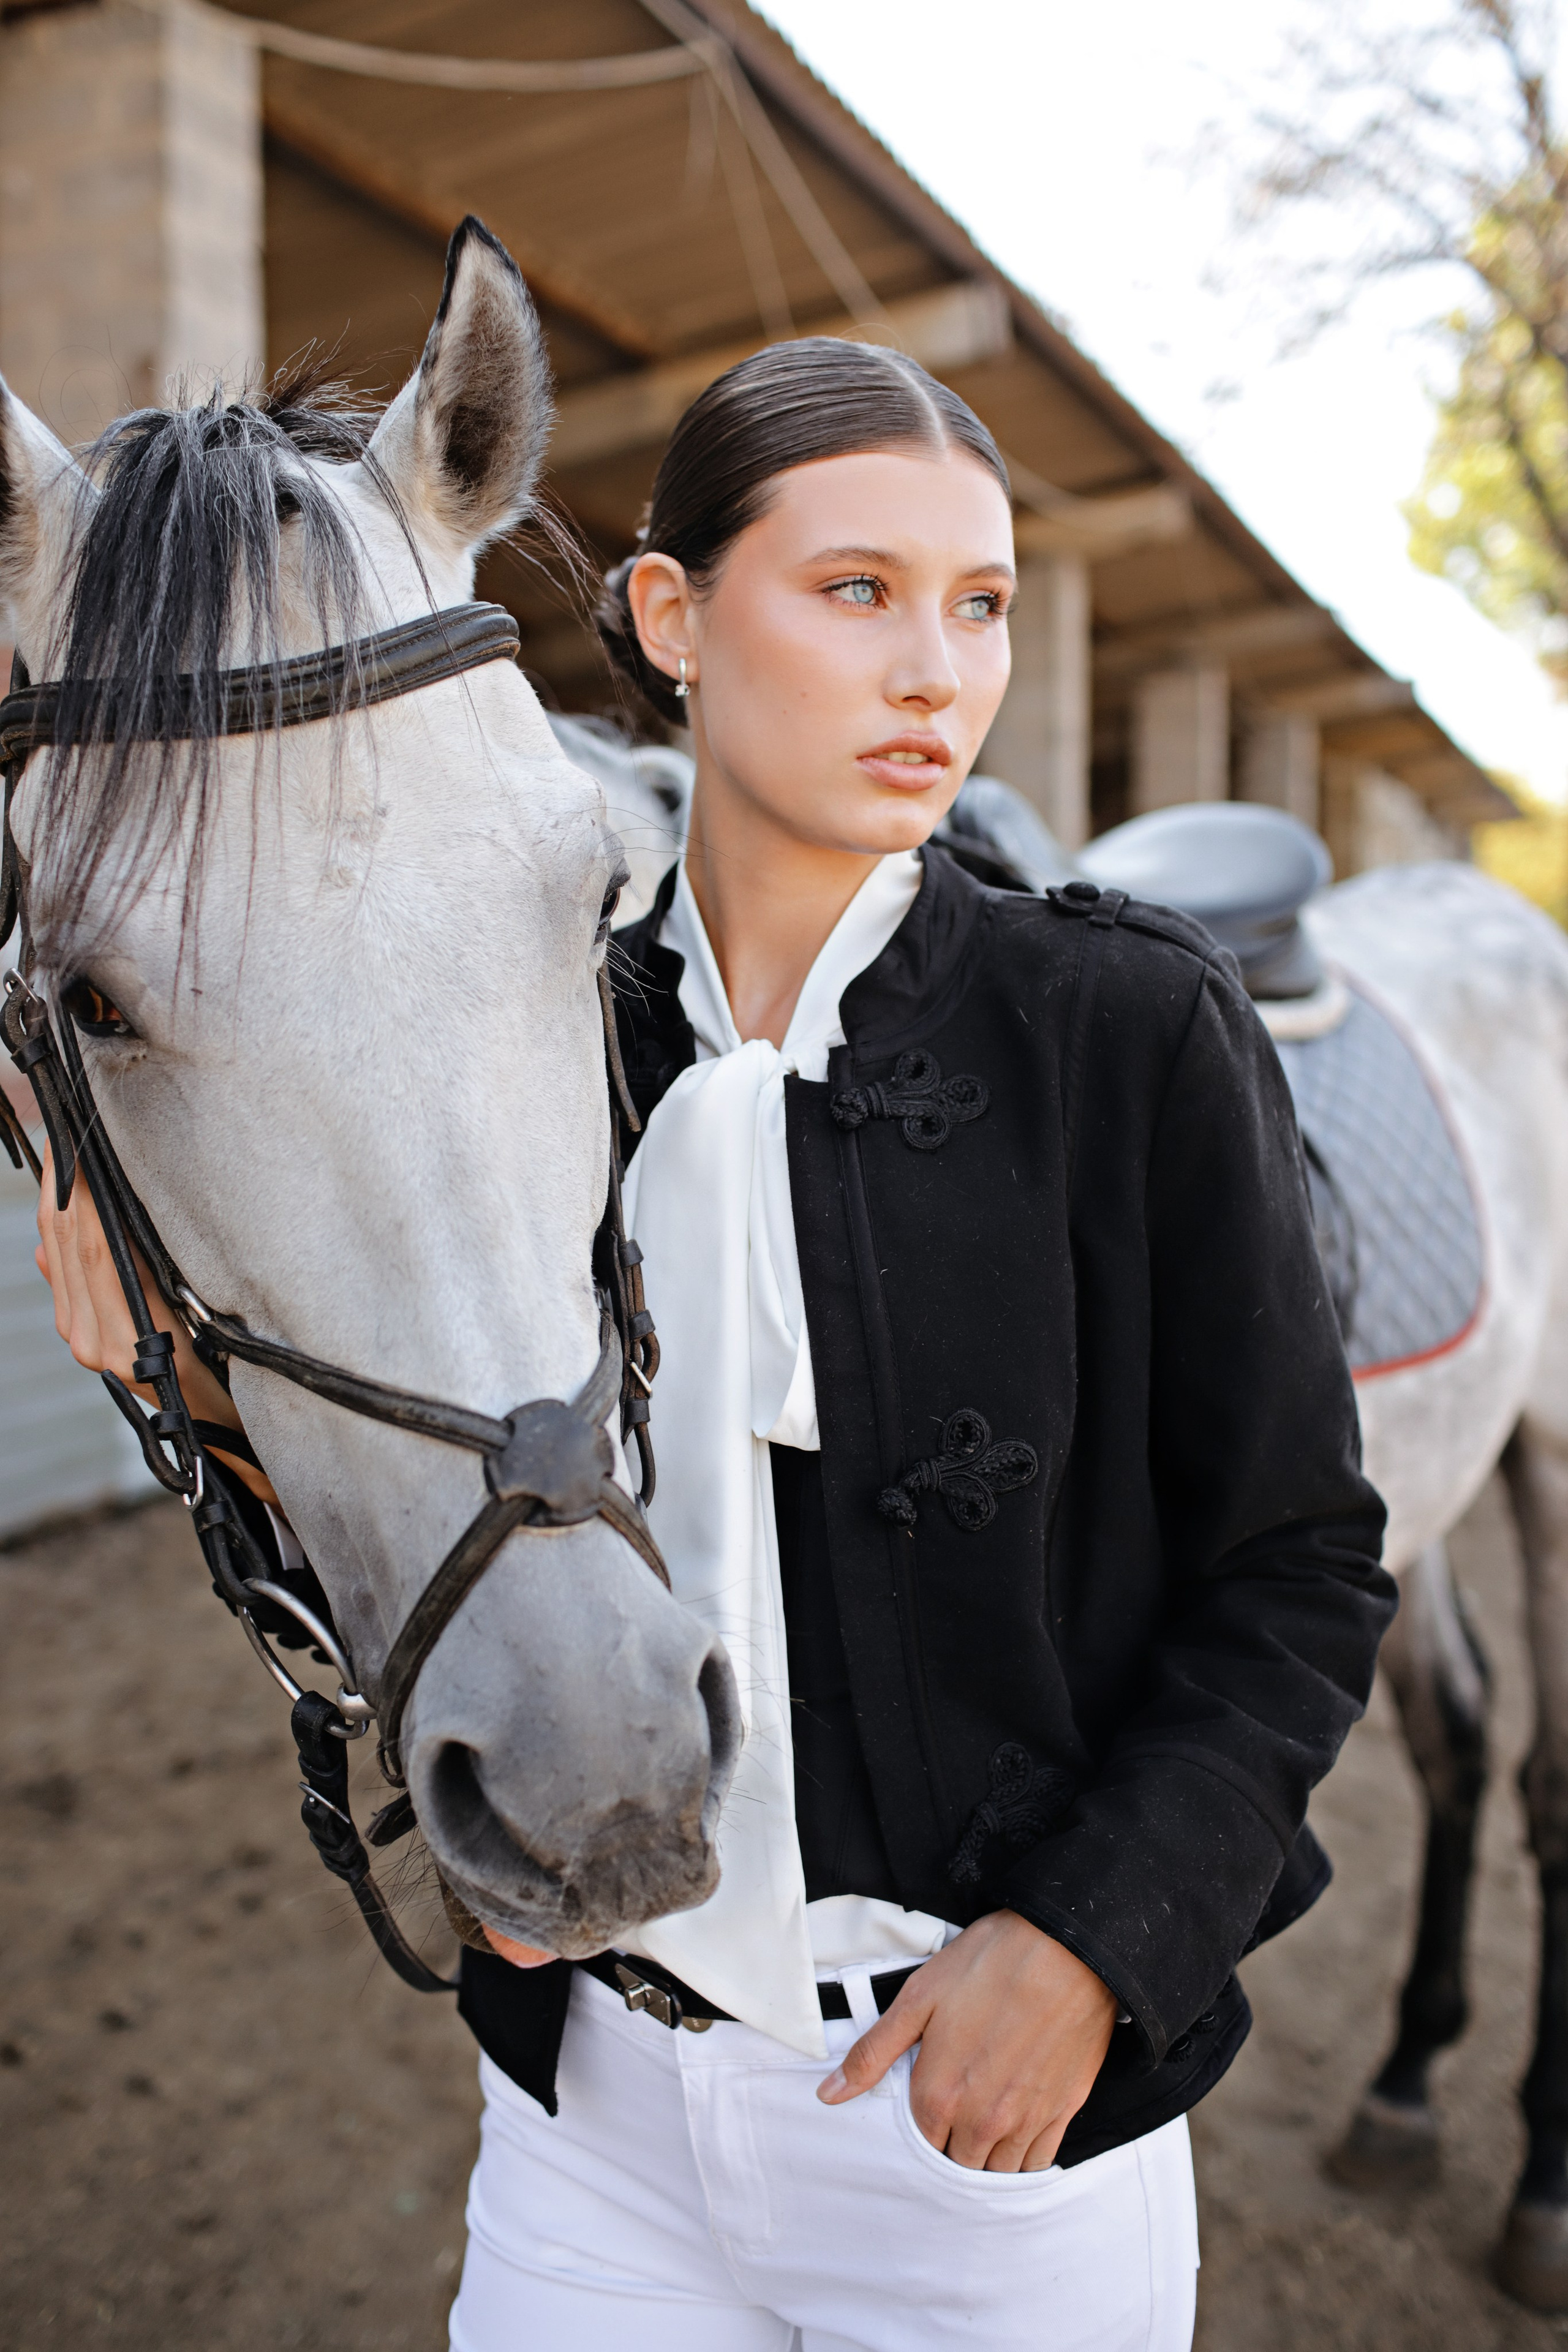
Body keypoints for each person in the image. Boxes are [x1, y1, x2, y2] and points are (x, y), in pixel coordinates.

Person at [38, 337, 1393, 2352]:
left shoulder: (1123, 1034)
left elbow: (1297, 1571)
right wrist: (183, 1384)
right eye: (857, 590)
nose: (937, 668)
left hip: (990, 2138)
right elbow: (424, 1501)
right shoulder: (541, 1037)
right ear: (667, 619)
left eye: (981, 603)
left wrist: (1100, 1951)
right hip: (594, 2119)